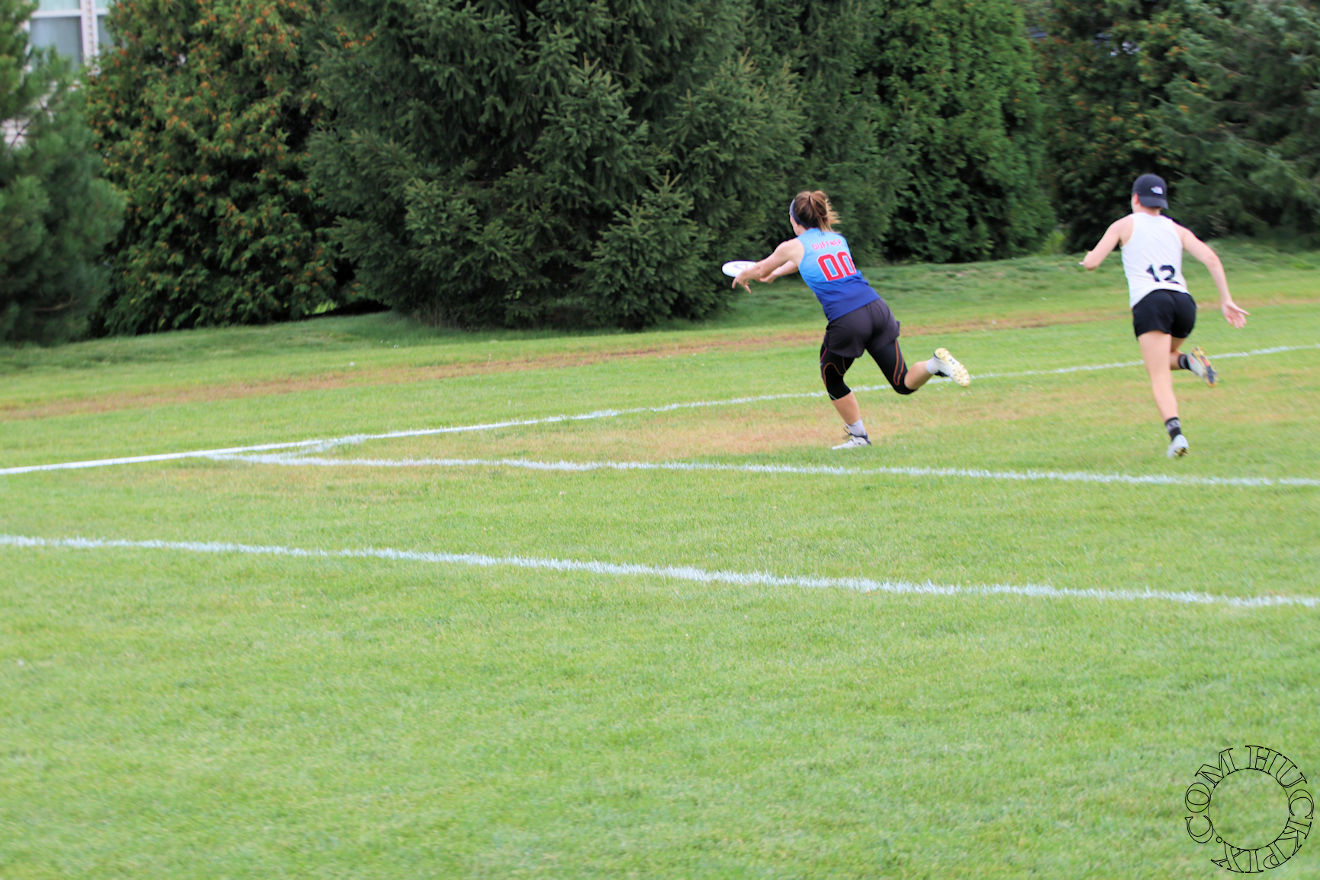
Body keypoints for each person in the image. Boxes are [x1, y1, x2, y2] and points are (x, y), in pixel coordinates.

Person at [731, 190, 970, 449]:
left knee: (831, 376)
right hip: (877, 308)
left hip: (848, 318)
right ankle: (935, 364)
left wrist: (743, 275)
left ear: (793, 219)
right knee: (902, 383)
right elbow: (804, 260)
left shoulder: (791, 246)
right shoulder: (836, 239)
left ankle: (859, 437)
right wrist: (777, 273)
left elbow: (760, 268)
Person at [1080, 173, 1249, 458]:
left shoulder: (1124, 224)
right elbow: (1211, 258)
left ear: (1135, 198)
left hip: (1151, 302)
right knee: (1165, 358)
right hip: (1184, 303)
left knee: (1158, 374)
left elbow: (1093, 263)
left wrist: (1086, 259)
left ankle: (1176, 436)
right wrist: (1226, 300)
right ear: (1161, 202)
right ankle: (1189, 361)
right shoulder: (1176, 228)